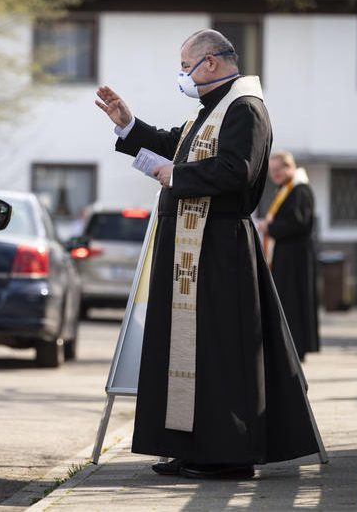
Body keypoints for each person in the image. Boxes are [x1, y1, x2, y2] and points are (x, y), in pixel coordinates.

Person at [94, 29, 323, 480]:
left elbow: (237, 170)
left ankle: (230, 454)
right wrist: (127, 123)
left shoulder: (246, 109)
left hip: (220, 250)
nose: (183, 75)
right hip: (193, 250)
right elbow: (174, 142)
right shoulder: (214, 110)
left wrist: (175, 174)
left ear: (211, 64)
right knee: (193, 352)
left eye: (186, 66)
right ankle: (197, 447)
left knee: (222, 351)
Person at [258, 151, 320, 360]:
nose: (274, 174)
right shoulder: (286, 189)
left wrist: (270, 228)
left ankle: (296, 348)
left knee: (293, 300)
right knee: (286, 300)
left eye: (278, 169)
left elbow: (298, 222)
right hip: (286, 253)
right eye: (272, 171)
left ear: (289, 167)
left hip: (296, 256)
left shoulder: (299, 190)